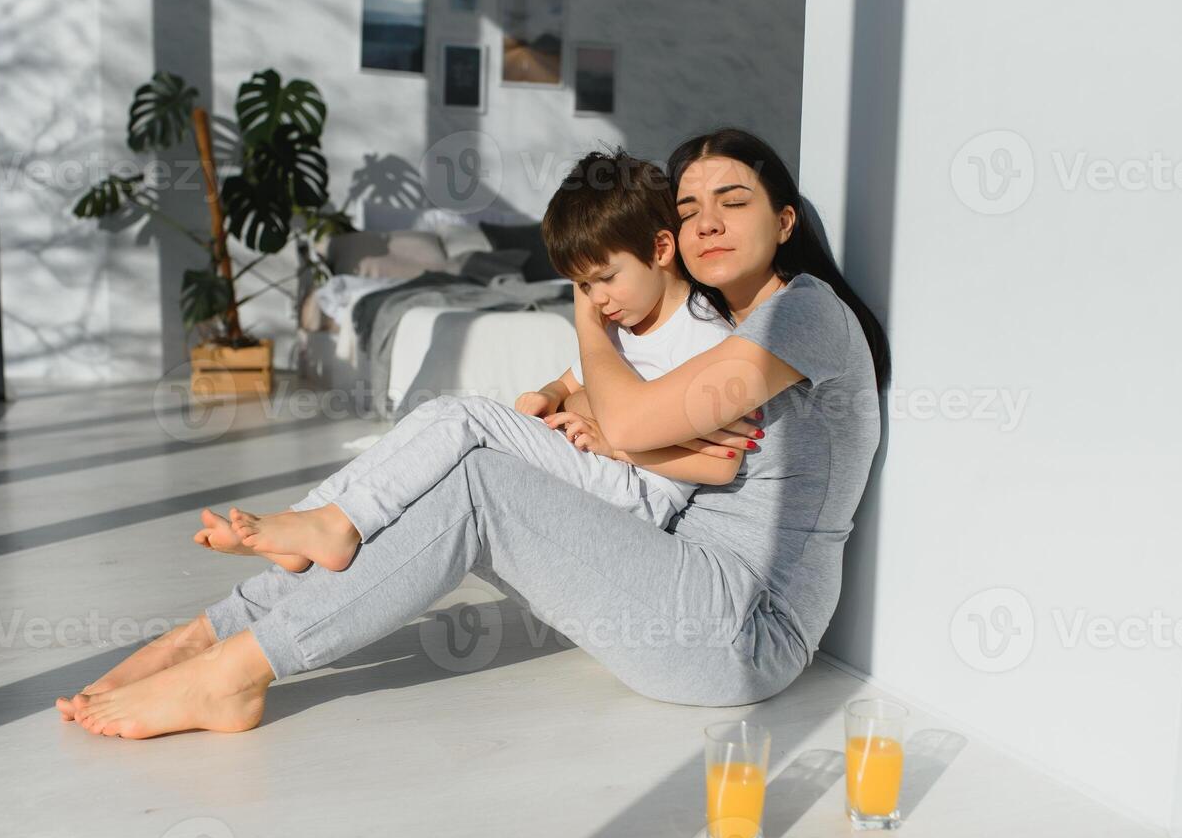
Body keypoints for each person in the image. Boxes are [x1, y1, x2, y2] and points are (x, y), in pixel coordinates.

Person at [56, 127, 890, 740]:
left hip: (743, 630)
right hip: (684, 589)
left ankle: (235, 671)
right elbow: (632, 417)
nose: (707, 221)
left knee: (479, 475)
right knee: (456, 471)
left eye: (733, 202)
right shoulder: (729, 324)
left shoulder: (802, 312)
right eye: (690, 205)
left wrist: (581, 311)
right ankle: (211, 635)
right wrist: (598, 405)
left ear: (784, 222)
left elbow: (631, 418)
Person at [215, 149, 751, 575]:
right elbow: (576, 375)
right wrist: (548, 394)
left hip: (636, 493)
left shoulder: (703, 334)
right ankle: (313, 515)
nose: (597, 300)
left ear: (660, 249)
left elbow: (720, 463)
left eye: (606, 279)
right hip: (598, 467)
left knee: (462, 418)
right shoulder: (627, 321)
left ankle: (335, 525)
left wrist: (615, 443)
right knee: (440, 421)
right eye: (583, 286)